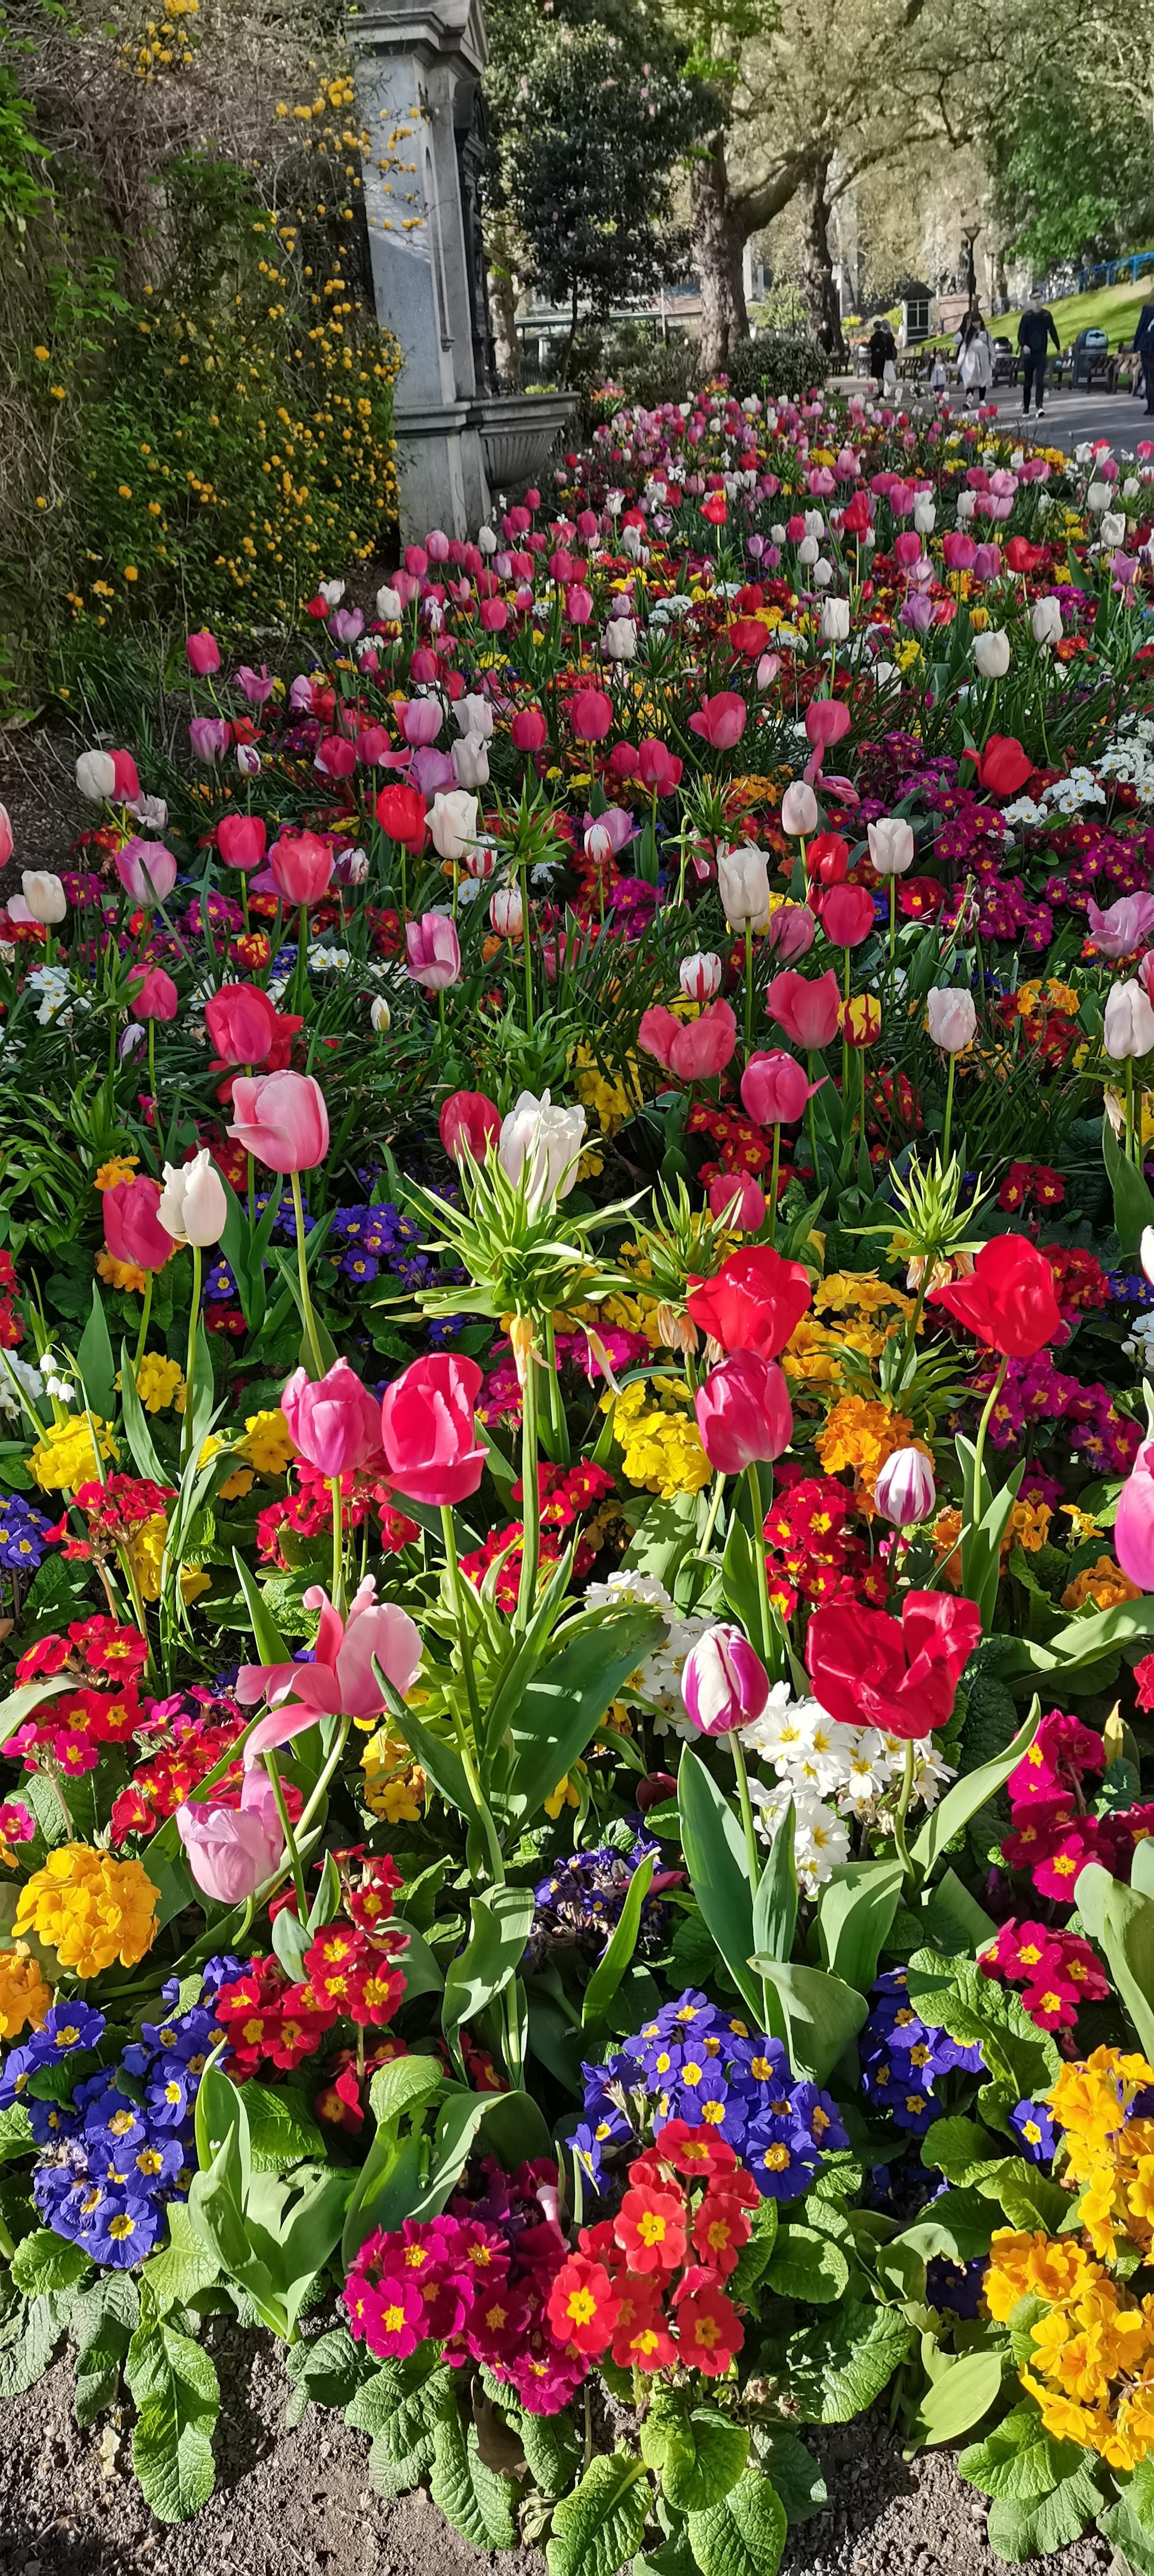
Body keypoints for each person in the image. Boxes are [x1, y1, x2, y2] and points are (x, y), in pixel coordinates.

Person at [1017, 295, 1061, 418]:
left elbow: (1053, 331)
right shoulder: (1027, 317)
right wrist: (1024, 345)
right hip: (1029, 355)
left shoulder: (1046, 315)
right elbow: (1021, 335)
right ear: (1031, 302)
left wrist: (1058, 348)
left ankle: (1040, 407)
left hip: (1041, 353)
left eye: (1039, 298)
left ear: (1042, 300)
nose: (1037, 301)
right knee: (1028, 382)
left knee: (1040, 380)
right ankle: (1026, 408)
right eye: (1034, 299)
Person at [955, 309, 994, 409]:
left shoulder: (986, 332)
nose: (976, 324)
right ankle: (969, 401)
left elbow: (990, 345)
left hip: (983, 359)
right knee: (970, 380)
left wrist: (993, 359)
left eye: (977, 322)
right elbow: (961, 345)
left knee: (983, 379)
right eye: (974, 322)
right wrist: (960, 362)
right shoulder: (968, 333)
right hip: (971, 360)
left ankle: (982, 399)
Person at [867, 316, 897, 394]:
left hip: (881, 357)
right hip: (887, 356)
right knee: (885, 374)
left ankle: (882, 391)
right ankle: (885, 391)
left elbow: (872, 345)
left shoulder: (880, 336)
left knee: (882, 375)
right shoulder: (889, 336)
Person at [1136, 292, 1154, 413]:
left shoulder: (1148, 308)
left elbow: (1141, 327)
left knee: (1149, 377)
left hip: (1147, 345)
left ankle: (1151, 407)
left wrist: (1136, 345)